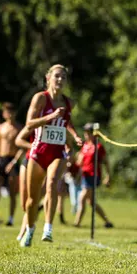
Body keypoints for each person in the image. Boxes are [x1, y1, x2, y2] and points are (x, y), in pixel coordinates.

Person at [20, 64, 82, 247]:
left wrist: (75, 135)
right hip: (38, 152)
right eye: (57, 76)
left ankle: (48, 228)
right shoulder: (40, 98)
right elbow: (29, 123)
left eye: (63, 77)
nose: (60, 80)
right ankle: (30, 230)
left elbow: (66, 122)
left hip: (57, 152)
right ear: (48, 78)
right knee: (31, 201)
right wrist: (50, 116)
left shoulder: (69, 102)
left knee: (52, 182)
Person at [0, 102, 23, 226]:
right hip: (0, 159)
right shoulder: (0, 127)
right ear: (4, 114)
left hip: (12, 160)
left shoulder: (19, 128)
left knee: (12, 192)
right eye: (7, 112)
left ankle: (11, 218)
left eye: (11, 111)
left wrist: (14, 162)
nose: (9, 114)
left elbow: (22, 147)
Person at [73, 123, 113, 228]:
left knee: (82, 198)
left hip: (93, 175)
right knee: (91, 202)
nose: (86, 135)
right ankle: (107, 221)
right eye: (86, 133)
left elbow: (106, 162)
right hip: (85, 176)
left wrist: (108, 176)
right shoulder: (85, 146)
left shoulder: (98, 147)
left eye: (89, 133)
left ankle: (77, 223)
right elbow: (80, 163)